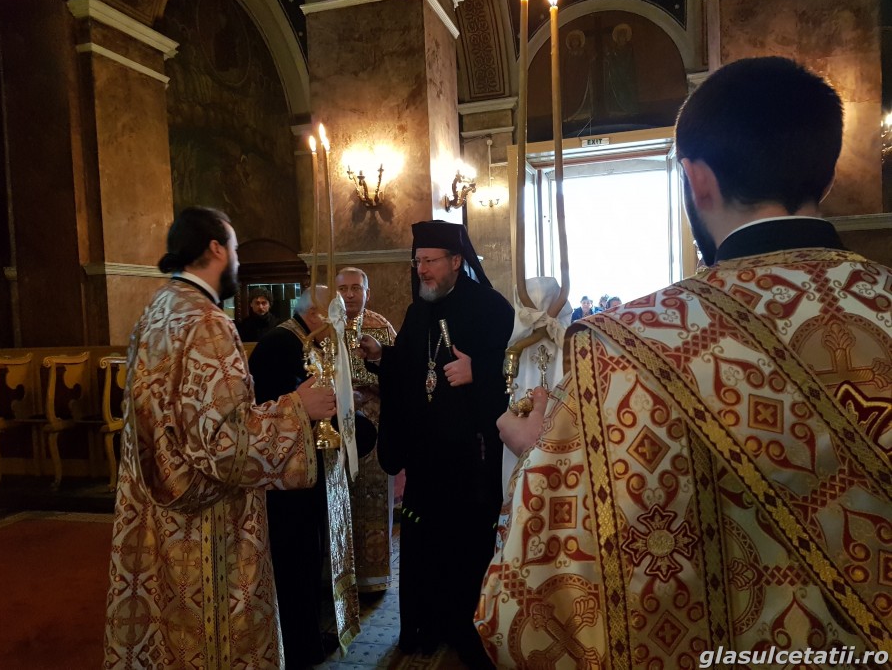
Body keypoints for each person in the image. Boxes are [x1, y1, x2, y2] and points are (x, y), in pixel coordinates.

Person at [477, 57, 892, 667]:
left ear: (698, 180)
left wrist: (540, 453)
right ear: (824, 177)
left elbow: (538, 608)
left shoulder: (619, 349)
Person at [103, 207, 336, 669]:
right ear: (215, 248)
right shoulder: (208, 321)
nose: (238, 261)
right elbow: (225, 444)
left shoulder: (157, 310)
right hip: (205, 518)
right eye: (234, 249)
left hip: (154, 503)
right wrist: (297, 407)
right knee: (211, 637)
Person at [359, 220, 514, 667]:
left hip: (471, 458)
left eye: (429, 261)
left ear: (456, 261)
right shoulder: (417, 312)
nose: (422, 270)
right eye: (418, 261)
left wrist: (478, 372)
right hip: (428, 456)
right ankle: (428, 624)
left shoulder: (490, 307)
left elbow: (518, 367)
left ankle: (469, 629)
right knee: (425, 542)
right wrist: (381, 356)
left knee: (466, 544)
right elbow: (410, 368)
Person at [248, 285, 374, 668]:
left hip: (310, 471)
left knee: (310, 557)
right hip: (286, 481)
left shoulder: (306, 340)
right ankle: (298, 647)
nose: (341, 322)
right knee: (294, 563)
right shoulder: (280, 343)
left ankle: (310, 636)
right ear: (317, 314)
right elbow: (276, 410)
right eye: (336, 314)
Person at [336, 266, 398, 593]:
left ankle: (373, 577)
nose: (349, 295)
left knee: (373, 497)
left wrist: (372, 384)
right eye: (343, 289)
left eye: (355, 288)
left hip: (374, 424)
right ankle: (338, 575)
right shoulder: (324, 328)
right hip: (336, 427)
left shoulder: (381, 327)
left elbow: (400, 374)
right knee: (340, 498)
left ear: (367, 292)